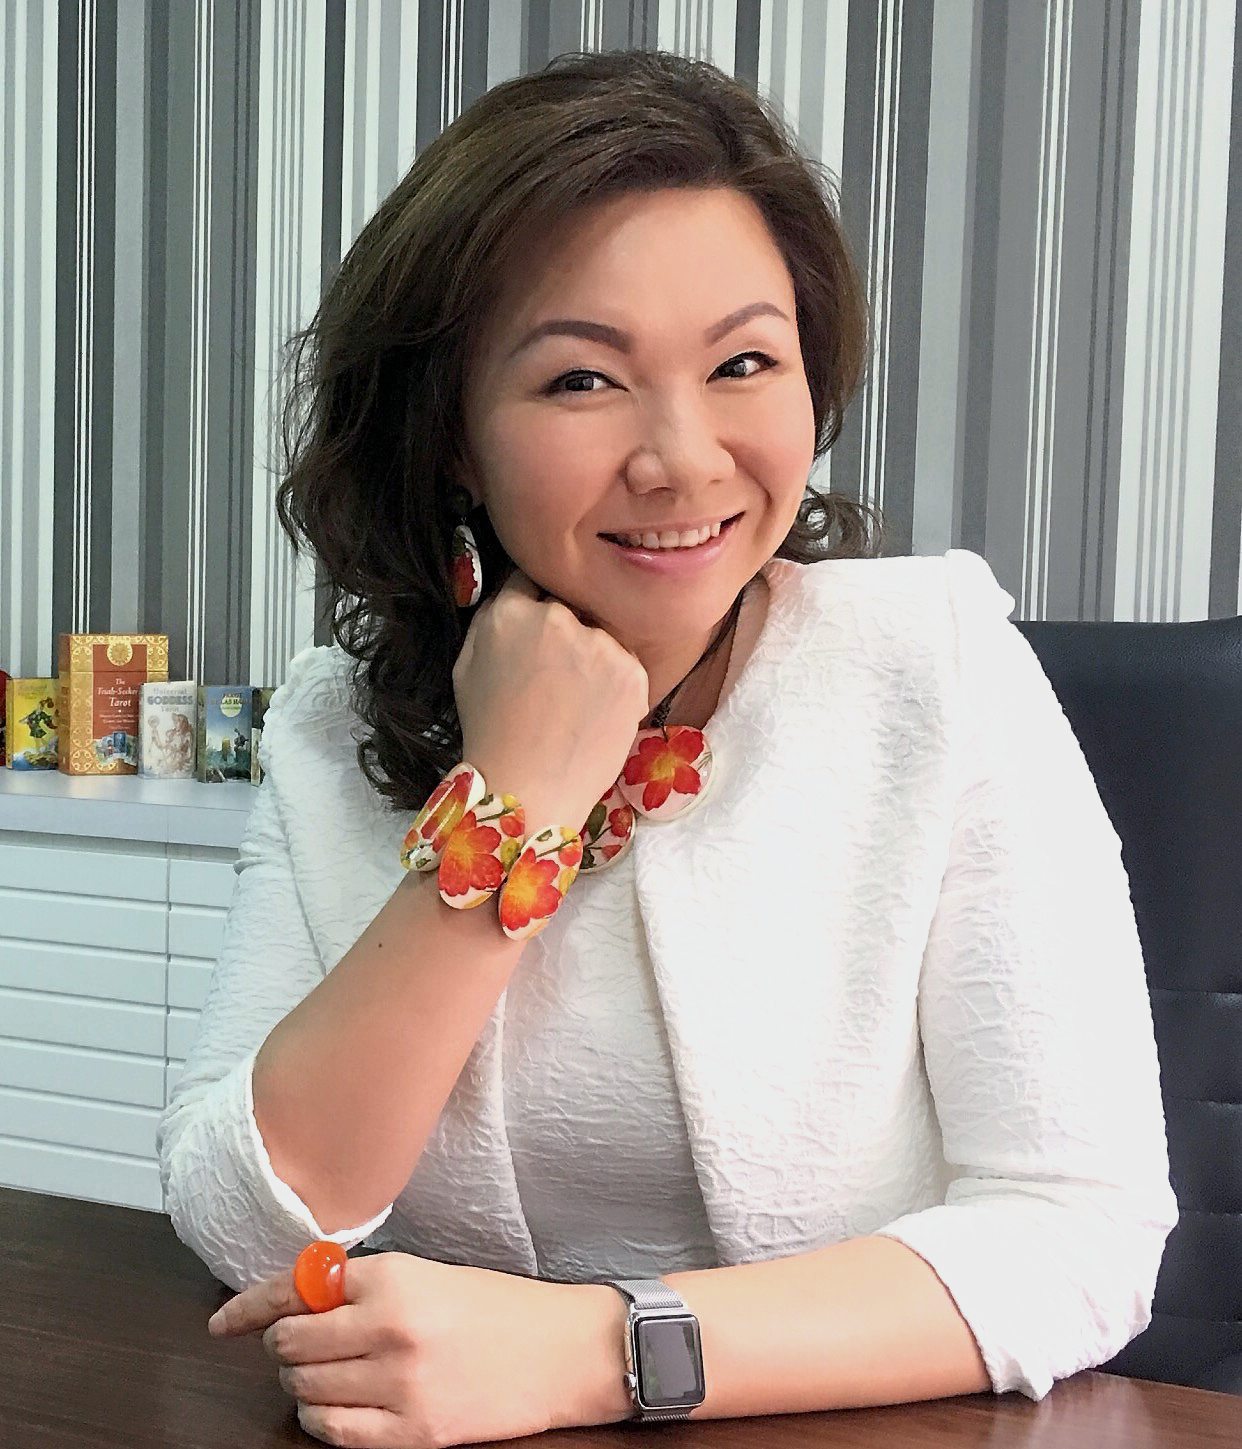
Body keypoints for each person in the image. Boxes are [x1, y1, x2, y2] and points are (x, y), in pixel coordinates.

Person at [156, 48, 1177, 1445]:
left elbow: (1080, 1232)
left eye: (743, 362)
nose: (683, 458)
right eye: (582, 379)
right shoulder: (336, 718)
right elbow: (242, 1220)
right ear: (451, 435)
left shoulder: (932, 667)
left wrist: (600, 1349)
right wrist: (510, 803)